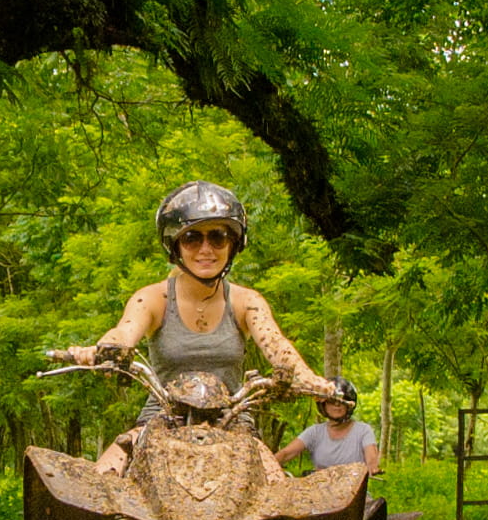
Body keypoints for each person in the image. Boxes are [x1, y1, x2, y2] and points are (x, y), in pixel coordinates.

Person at [63, 182, 341, 462]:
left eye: (218, 237)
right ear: (175, 245)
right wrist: (106, 348)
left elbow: (278, 347)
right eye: (192, 238)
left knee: (277, 489)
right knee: (101, 481)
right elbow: (124, 332)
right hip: (158, 422)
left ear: (233, 244)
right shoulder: (152, 298)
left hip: (234, 423)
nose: (205, 249)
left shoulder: (246, 301)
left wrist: (310, 380)